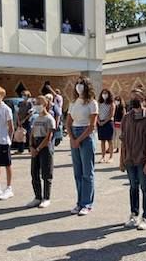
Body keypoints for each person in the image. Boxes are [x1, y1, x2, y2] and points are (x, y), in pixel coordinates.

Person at [120, 89, 146, 230]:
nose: (133, 100)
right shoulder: (126, 118)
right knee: (133, 187)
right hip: (130, 159)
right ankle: (134, 214)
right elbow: (123, 140)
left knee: (145, 188)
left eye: (137, 97)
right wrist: (121, 159)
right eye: (131, 97)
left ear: (143, 99)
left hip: (143, 159)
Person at [67, 76, 98, 216]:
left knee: (87, 172)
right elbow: (68, 122)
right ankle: (79, 202)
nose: (79, 86)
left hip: (86, 136)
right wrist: (72, 138)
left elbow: (92, 126)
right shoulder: (73, 103)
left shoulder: (92, 103)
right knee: (77, 173)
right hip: (74, 134)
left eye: (82, 84)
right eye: (77, 83)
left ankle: (87, 203)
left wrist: (78, 139)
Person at [27, 96, 56, 208]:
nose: (36, 105)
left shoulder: (49, 119)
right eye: (35, 103)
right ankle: (37, 197)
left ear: (45, 104)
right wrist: (31, 146)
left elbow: (49, 137)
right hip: (35, 144)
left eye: (39, 103)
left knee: (46, 173)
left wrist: (38, 148)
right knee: (34, 173)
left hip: (45, 146)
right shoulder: (35, 118)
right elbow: (32, 133)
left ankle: (46, 197)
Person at [97, 89, 116, 163]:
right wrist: (98, 121)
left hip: (108, 123)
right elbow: (97, 113)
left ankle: (111, 157)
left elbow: (111, 114)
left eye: (106, 93)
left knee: (110, 140)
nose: (104, 94)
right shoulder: (99, 103)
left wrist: (104, 122)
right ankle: (103, 156)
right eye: (103, 93)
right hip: (100, 123)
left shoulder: (111, 103)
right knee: (102, 141)